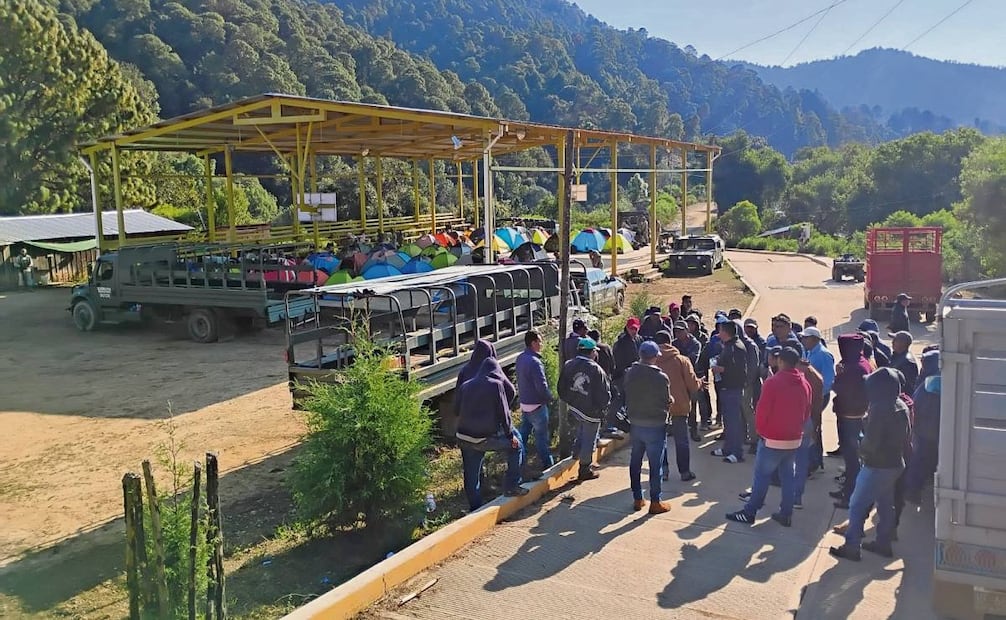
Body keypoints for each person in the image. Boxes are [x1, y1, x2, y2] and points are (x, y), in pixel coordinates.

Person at [830, 367, 912, 561]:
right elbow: (907, 435)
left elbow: (871, 442)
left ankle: (851, 547)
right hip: (895, 463)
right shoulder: (901, 404)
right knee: (885, 504)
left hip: (877, 465)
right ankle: (883, 543)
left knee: (857, 504)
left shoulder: (879, 409)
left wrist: (860, 450)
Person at [726, 347, 811, 526]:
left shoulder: (772, 383)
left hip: (773, 439)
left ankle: (750, 512)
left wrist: (761, 432)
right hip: (794, 439)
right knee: (788, 477)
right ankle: (786, 513)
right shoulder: (804, 383)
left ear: (780, 361)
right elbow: (806, 412)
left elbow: (762, 411)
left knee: (762, 477)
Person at [456, 358, 528, 510]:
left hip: (463, 437)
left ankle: (475, 508)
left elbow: (456, 409)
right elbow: (504, 413)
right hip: (483, 438)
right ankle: (512, 486)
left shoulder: (465, 385)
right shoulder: (496, 385)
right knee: (517, 446)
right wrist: (510, 436)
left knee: (471, 476)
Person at [624, 340, 674, 514]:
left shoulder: (630, 373)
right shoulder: (661, 377)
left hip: (636, 423)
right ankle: (655, 501)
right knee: (655, 465)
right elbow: (666, 401)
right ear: (654, 357)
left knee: (635, 462)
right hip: (655, 425)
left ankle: (638, 498)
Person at [558, 338, 611, 481]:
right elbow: (604, 394)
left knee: (581, 430)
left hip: (574, 407)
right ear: (592, 352)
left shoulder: (569, 364)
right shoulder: (596, 369)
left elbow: (561, 387)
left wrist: (570, 400)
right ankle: (585, 468)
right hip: (591, 412)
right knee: (589, 438)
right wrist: (602, 409)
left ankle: (576, 453)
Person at [830, 334, 873, 508]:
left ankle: (850, 496)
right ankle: (847, 489)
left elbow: (840, 388)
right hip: (854, 416)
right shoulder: (861, 363)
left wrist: (838, 375)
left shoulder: (854, 368)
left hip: (851, 419)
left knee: (852, 460)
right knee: (850, 460)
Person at [655, 331, 702, 481]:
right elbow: (692, 385)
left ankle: (664, 471)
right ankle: (685, 472)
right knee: (681, 441)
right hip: (679, 405)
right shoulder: (681, 360)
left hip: (658, 406)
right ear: (670, 342)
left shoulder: (650, 360)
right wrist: (700, 383)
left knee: (660, 441)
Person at [710, 319, 749, 463]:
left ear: (726, 332)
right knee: (728, 421)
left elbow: (740, 371)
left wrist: (721, 369)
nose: (718, 333)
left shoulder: (737, 348)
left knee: (734, 421)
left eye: (720, 330)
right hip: (726, 387)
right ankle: (728, 448)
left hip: (733, 388)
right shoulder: (727, 346)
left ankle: (737, 452)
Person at [905, 350, 941, 505]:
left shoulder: (932, 384)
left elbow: (917, 405)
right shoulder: (937, 379)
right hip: (935, 431)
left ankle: (913, 491)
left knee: (918, 461)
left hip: (925, 430)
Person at [516, 330, 555, 470]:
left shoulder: (520, 358)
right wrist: (550, 398)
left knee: (523, 436)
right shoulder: (535, 362)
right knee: (541, 438)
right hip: (537, 406)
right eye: (539, 341)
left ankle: (519, 463)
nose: (541, 344)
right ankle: (548, 464)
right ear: (533, 343)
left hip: (525, 404)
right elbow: (542, 386)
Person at [793, 349, 825, 510]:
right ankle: (797, 497)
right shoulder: (814, 376)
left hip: (799, 423)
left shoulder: (802, 379)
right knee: (801, 461)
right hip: (809, 422)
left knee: (793, 461)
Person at [589, 328, 622, 440]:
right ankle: (608, 426)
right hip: (606, 379)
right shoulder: (606, 347)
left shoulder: (590, 350)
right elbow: (613, 365)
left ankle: (601, 429)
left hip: (593, 383)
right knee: (614, 400)